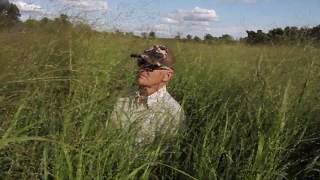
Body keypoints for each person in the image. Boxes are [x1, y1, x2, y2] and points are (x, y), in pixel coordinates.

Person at [109, 44, 185, 145]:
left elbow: (165, 154)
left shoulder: (173, 113)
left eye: (151, 66)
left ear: (167, 75)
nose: (143, 69)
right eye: (141, 63)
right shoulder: (120, 95)